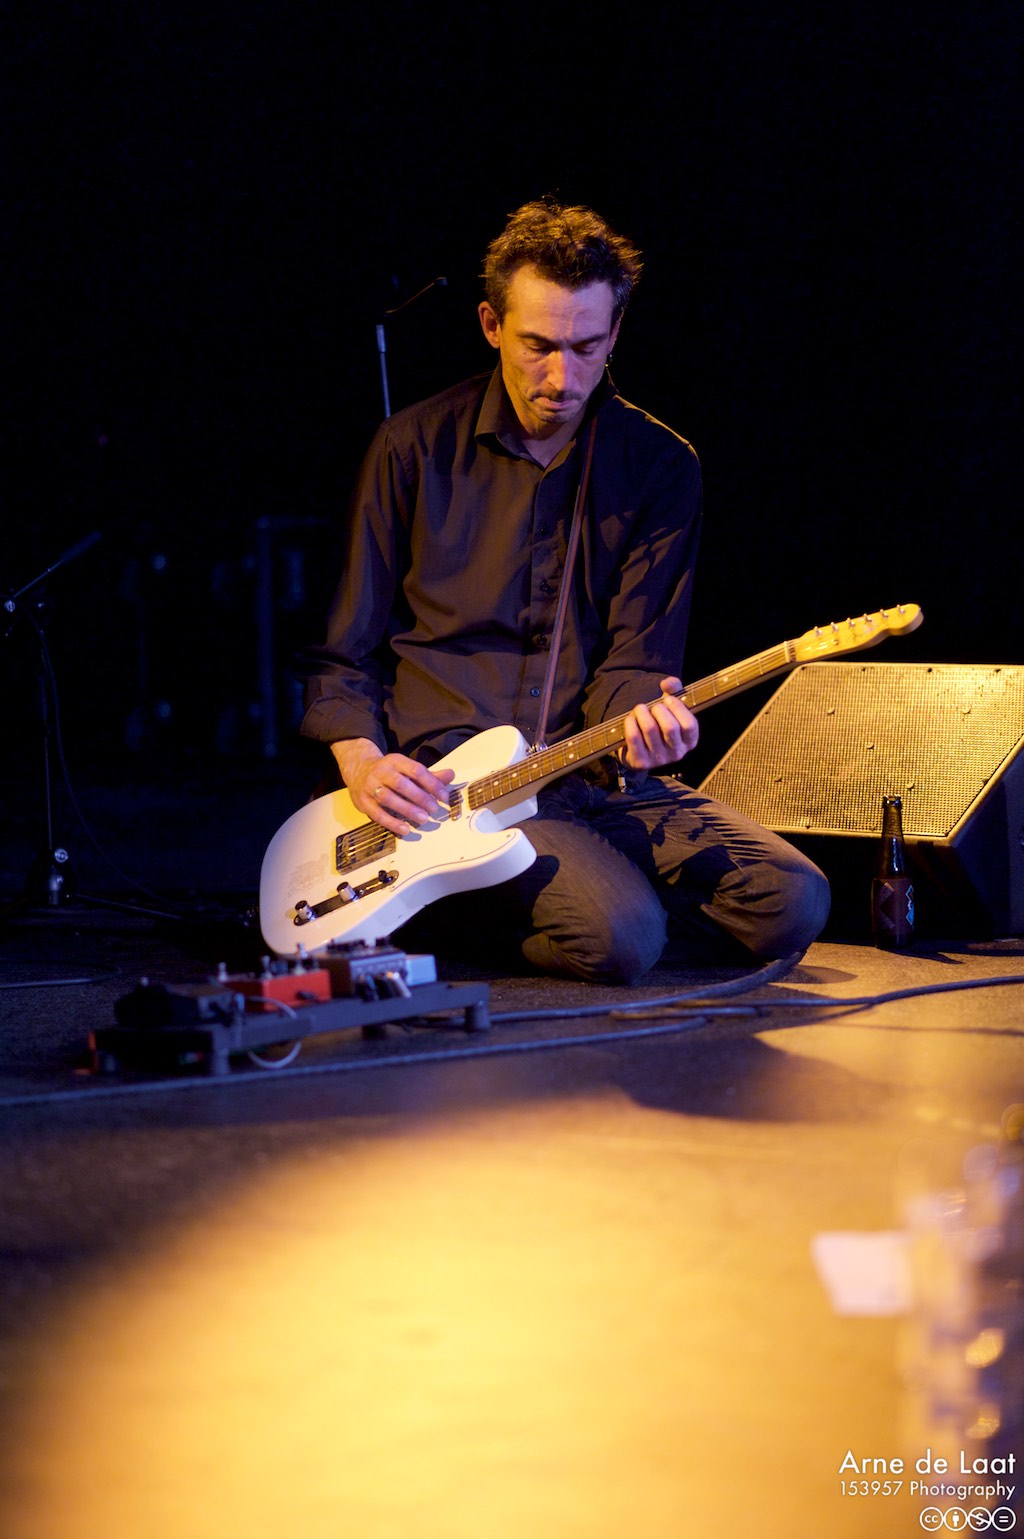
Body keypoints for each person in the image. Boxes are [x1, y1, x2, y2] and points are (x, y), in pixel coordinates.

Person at [300, 200, 829, 982]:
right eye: (538, 346)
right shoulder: (411, 446)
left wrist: (648, 730)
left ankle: (544, 908)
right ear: (491, 324)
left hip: (588, 777)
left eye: (586, 347)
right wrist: (363, 761)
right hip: (452, 788)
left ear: (614, 333)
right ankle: (500, 899)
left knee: (793, 899)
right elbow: (342, 652)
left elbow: (636, 664)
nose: (562, 378)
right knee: (622, 935)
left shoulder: (659, 466)